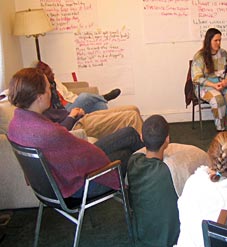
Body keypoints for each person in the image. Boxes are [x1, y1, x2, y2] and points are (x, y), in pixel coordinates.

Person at [7, 68, 144, 199]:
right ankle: (150, 174)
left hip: (55, 184)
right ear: (39, 97)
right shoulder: (49, 133)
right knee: (127, 151)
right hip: (79, 187)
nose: (50, 92)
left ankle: (148, 171)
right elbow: (89, 155)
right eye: (48, 88)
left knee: (129, 133)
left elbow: (81, 154)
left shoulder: (16, 125)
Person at [127, 115, 180, 247]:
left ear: (141, 137)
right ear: (167, 140)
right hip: (171, 241)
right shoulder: (171, 170)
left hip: (143, 236)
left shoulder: (133, 161)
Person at [192, 28, 227, 132]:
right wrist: (213, 85)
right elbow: (197, 78)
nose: (218, 43)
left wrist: (226, 81)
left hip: (223, 83)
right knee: (218, 99)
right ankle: (221, 129)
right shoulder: (199, 56)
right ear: (208, 41)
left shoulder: (223, 53)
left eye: (220, 40)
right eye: (216, 40)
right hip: (206, 86)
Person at [36, 61, 121, 114]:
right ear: (45, 76)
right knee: (84, 96)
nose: (53, 74)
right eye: (50, 73)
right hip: (64, 111)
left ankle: (107, 126)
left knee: (100, 105)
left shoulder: (55, 81)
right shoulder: (44, 90)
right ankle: (104, 97)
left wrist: (77, 100)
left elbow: (68, 95)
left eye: (52, 71)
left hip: (71, 103)